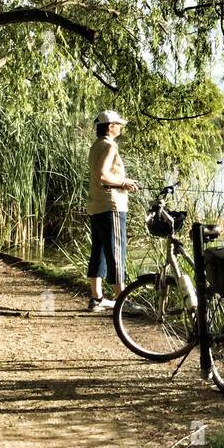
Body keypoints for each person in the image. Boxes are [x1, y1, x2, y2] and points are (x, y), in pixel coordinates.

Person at [86, 110, 139, 312]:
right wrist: (125, 182)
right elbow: (102, 177)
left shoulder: (96, 145)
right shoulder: (109, 146)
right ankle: (122, 300)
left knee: (98, 251)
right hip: (112, 207)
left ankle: (97, 299)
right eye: (118, 124)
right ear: (110, 127)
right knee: (117, 252)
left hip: (97, 205)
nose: (121, 127)